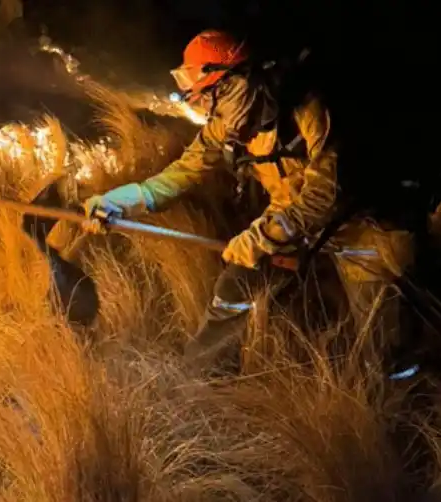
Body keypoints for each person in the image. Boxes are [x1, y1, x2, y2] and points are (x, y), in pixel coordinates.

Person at [82, 29, 417, 377]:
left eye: (204, 97)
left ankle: (400, 407)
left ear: (229, 85)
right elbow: (181, 174)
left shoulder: (309, 109)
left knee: (383, 344)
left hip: (363, 230)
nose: (203, 109)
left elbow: (324, 194)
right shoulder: (225, 126)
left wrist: (262, 237)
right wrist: (120, 201)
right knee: (235, 287)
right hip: (289, 224)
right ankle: (199, 378)